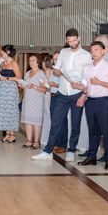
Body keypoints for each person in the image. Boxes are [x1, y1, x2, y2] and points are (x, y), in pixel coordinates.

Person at [33, 28, 92, 162]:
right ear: (66, 40)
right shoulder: (63, 53)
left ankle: (71, 150)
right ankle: (47, 151)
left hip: (77, 93)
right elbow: (56, 72)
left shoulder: (86, 55)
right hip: (62, 92)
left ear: (79, 38)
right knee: (56, 122)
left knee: (75, 124)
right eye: (70, 41)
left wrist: (83, 94)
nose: (72, 43)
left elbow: (88, 77)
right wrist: (59, 71)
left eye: (74, 40)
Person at [76, 41, 108, 171]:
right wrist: (78, 86)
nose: (93, 52)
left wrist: (99, 82)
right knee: (93, 130)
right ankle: (92, 157)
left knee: (106, 130)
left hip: (104, 101)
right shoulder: (87, 67)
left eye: (96, 50)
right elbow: (85, 84)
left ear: (103, 51)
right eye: (92, 50)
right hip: (90, 101)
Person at [20, 54, 48, 149]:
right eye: (30, 60)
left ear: (38, 62)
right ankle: (29, 140)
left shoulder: (41, 74)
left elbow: (45, 89)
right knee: (28, 121)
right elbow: (26, 86)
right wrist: (23, 86)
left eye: (33, 60)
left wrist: (34, 86)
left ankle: (36, 141)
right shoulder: (27, 73)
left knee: (36, 121)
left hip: (37, 100)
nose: (31, 62)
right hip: (28, 99)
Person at [0, 45, 21, 143]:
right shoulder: (2, 63)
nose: (1, 53)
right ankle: (8, 134)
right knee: (5, 111)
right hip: (2, 89)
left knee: (11, 110)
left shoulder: (14, 63)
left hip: (11, 89)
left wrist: (6, 79)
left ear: (8, 52)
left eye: (3, 51)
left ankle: (12, 134)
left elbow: (18, 77)